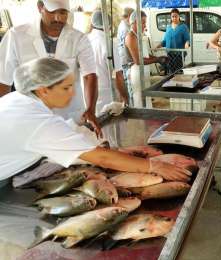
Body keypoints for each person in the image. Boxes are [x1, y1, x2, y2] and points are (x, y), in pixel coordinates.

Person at [0, 58, 191, 187]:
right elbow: (102, 159)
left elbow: (66, 132)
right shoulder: (37, 121)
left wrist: (113, 150)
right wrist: (154, 166)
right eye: (66, 87)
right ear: (43, 90)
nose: (73, 93)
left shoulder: (18, 99)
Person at [0, 0, 101, 136]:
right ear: (40, 7)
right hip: (31, 116)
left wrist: (90, 109)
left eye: (63, 13)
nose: (58, 18)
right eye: (52, 12)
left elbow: (90, 75)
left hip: (69, 115)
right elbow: (3, 79)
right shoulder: (16, 36)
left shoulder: (79, 38)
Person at [88, 10, 129, 147]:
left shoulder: (86, 40)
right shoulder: (109, 43)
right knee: (111, 134)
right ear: (109, 25)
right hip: (106, 93)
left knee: (96, 132)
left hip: (88, 95)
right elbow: (118, 75)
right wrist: (125, 97)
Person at [124, 10, 168, 108]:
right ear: (134, 22)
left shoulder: (139, 36)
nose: (145, 25)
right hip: (136, 72)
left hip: (143, 72)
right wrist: (157, 60)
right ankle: (141, 121)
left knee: (146, 98)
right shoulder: (131, 37)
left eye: (145, 22)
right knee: (139, 99)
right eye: (142, 22)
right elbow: (138, 60)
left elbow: (145, 55)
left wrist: (159, 58)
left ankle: (147, 119)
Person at [157, 8, 190, 74]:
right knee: (170, 73)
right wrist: (158, 45)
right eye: (173, 16)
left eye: (176, 16)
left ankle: (179, 83)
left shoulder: (183, 27)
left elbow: (187, 39)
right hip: (169, 54)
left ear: (179, 16)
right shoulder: (168, 27)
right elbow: (165, 41)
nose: (174, 18)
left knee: (178, 72)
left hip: (179, 54)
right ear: (171, 17)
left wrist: (187, 43)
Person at [116, 7, 134, 89]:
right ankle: (129, 100)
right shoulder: (125, 28)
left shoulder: (123, 24)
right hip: (126, 60)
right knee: (129, 82)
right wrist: (133, 59)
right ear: (129, 16)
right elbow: (128, 46)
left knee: (128, 81)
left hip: (124, 58)